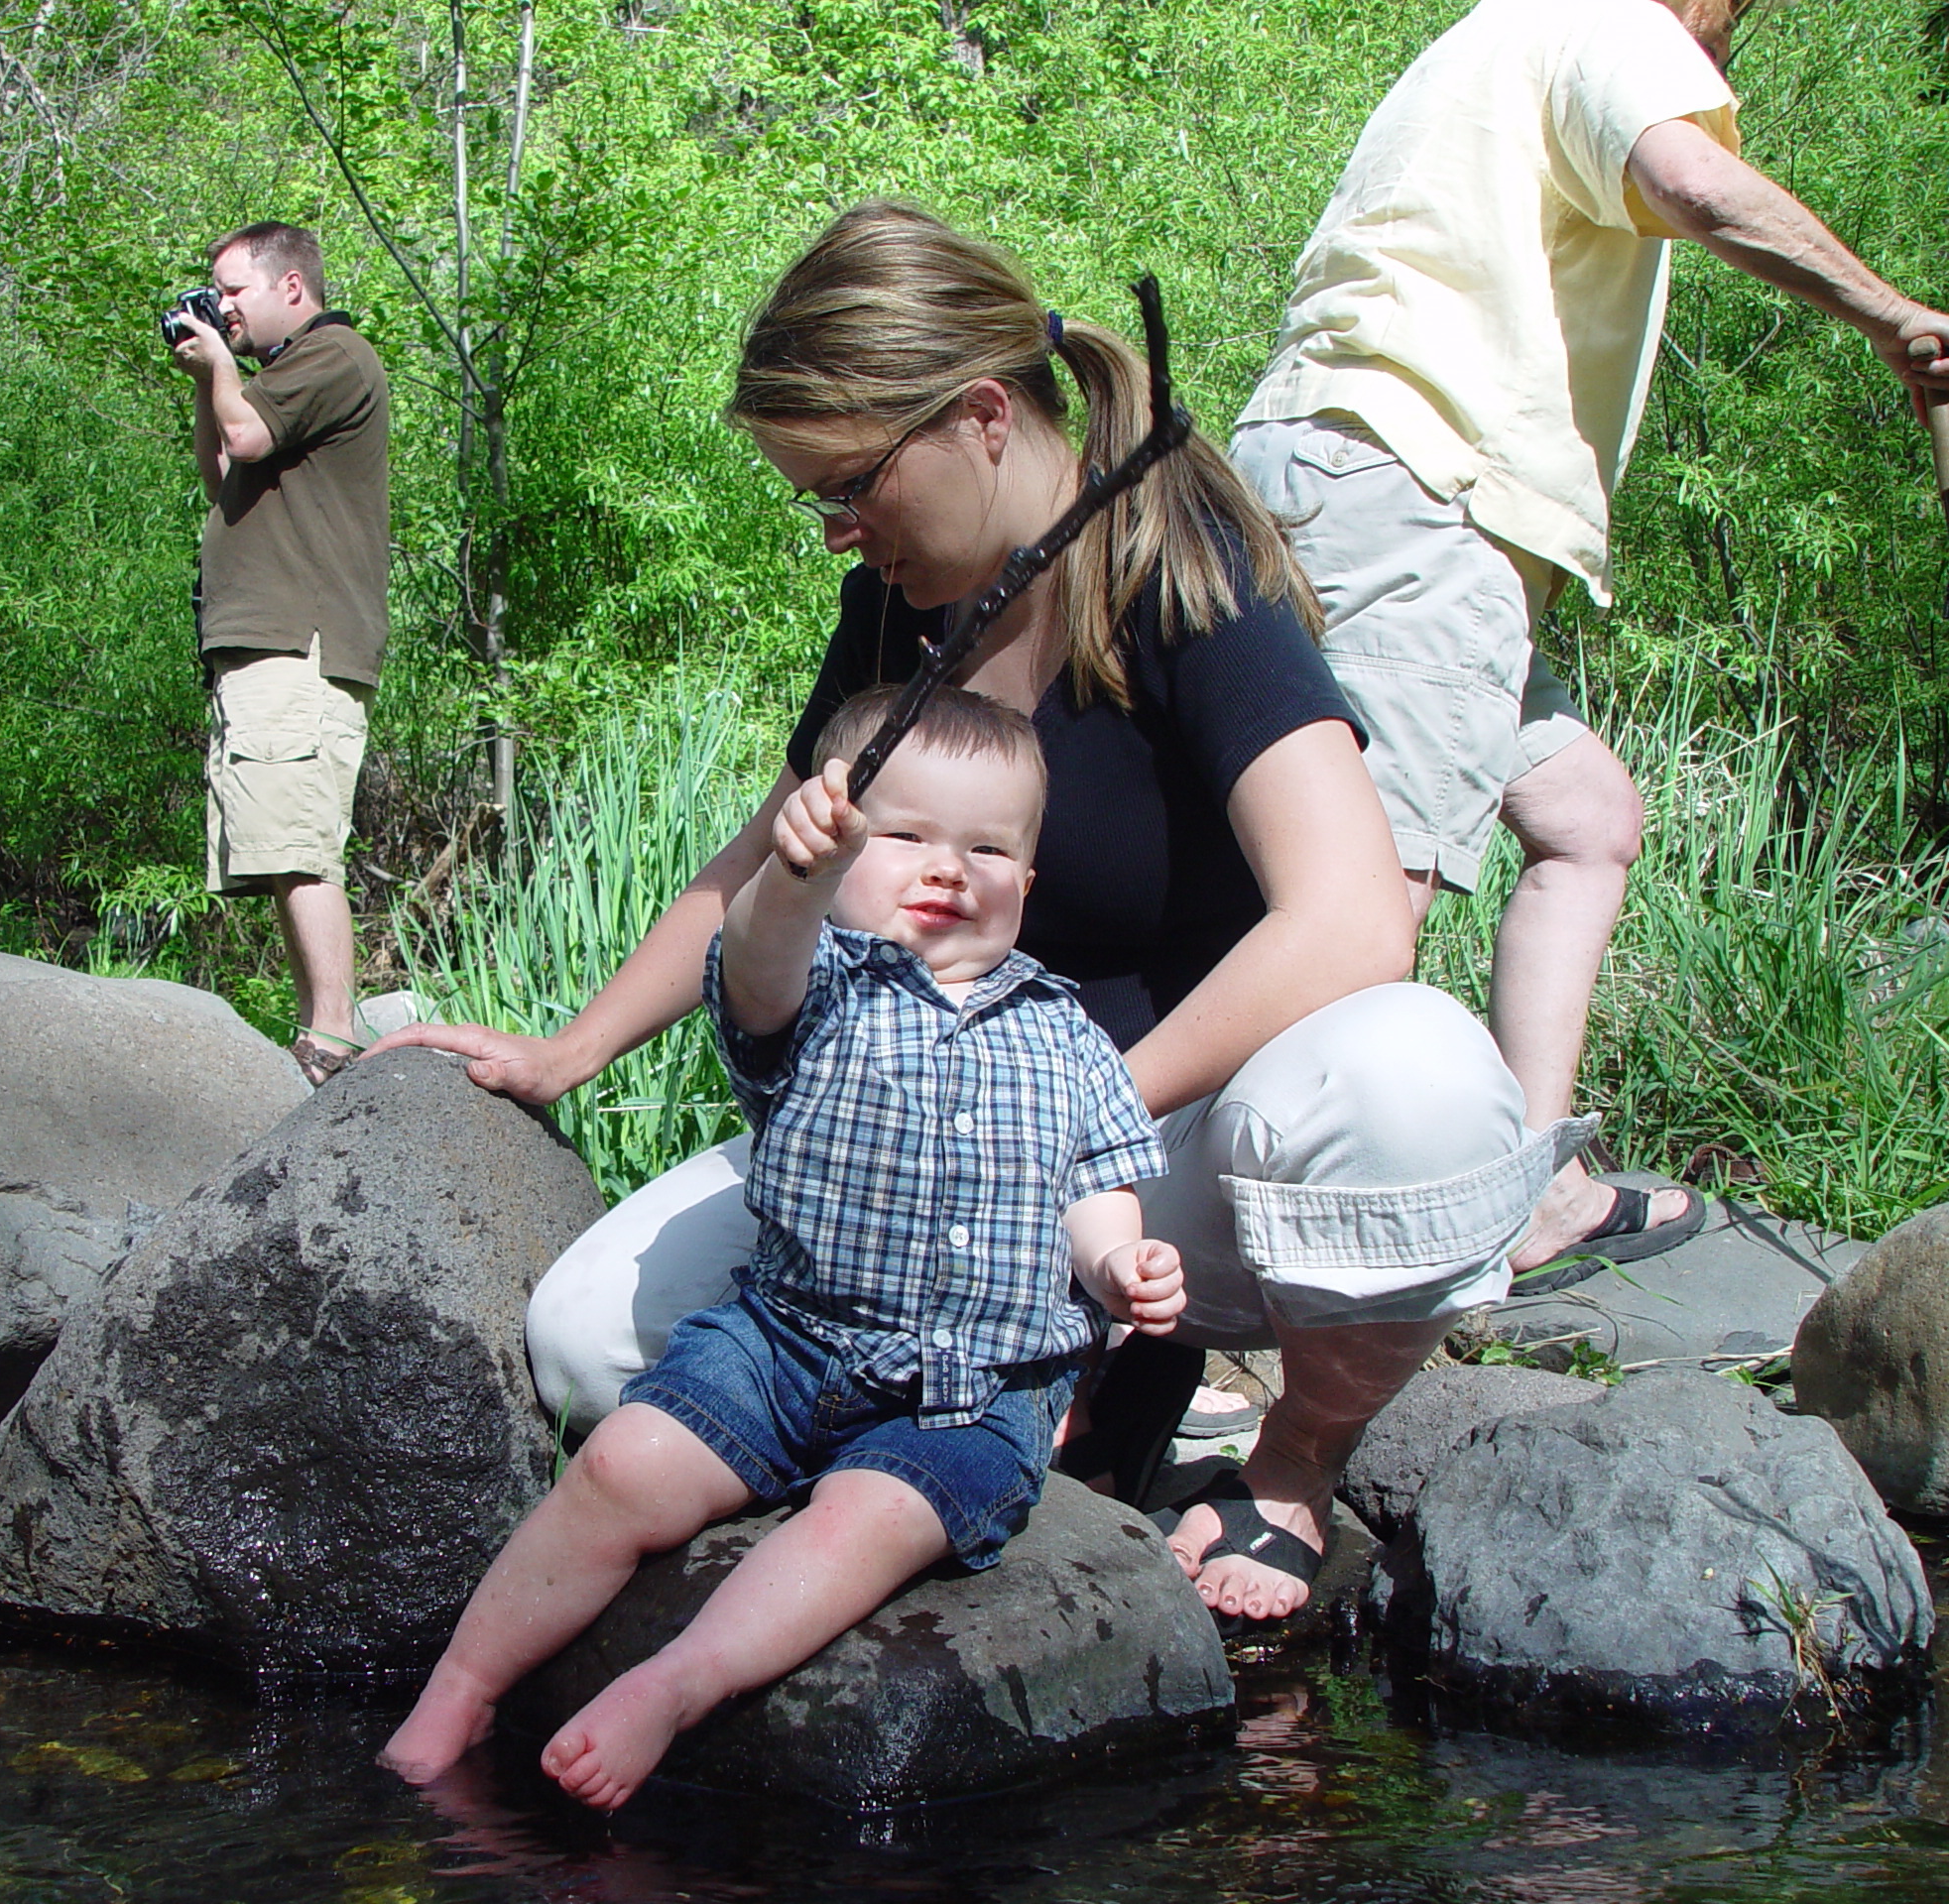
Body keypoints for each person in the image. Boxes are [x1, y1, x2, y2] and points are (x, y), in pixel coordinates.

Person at [379, 201, 1592, 1632]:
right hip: (910, 1165)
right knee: (589, 1344)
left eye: (847, 485)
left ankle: (1291, 1466)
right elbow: (756, 862)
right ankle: (1017, 1407)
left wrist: (1047, 1134)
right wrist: (568, 1053)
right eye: (810, 499)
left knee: (1419, 1082)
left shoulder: (1179, 569)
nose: (835, 530)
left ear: (982, 416)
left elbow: (1350, 923)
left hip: (1168, 1159)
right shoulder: (898, 611)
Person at [1228, 0, 1949, 1271]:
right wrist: (1896, 321)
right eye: (1735, 26)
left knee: (1586, 817)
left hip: (1357, 480)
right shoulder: (1614, 20)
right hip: (1418, 494)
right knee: (1359, 904)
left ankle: (1526, 1189)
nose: (1729, 55)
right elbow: (1694, 186)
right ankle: (1253, 1279)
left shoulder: (1499, 38)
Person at [380, 684, 1186, 1809]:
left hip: (969, 1389)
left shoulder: (1072, 1040)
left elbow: (1093, 1191)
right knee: (620, 1465)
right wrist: (791, 879)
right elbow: (755, 960)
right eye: (902, 837)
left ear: (1030, 882)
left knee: (869, 1520)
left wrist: (1116, 1266)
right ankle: (458, 1690)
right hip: (783, 1341)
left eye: (987, 848)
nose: (946, 869)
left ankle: (677, 1682)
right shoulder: (820, 991)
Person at [169, 221, 391, 1085]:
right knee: (273, 846)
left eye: (233, 292)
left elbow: (251, 438)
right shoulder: (273, 377)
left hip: (300, 644)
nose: (221, 308)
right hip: (264, 646)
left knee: (297, 844)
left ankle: (330, 1037)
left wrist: (222, 369)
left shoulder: (333, 356)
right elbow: (223, 469)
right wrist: (210, 380)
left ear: (290, 286)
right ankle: (318, 1030)